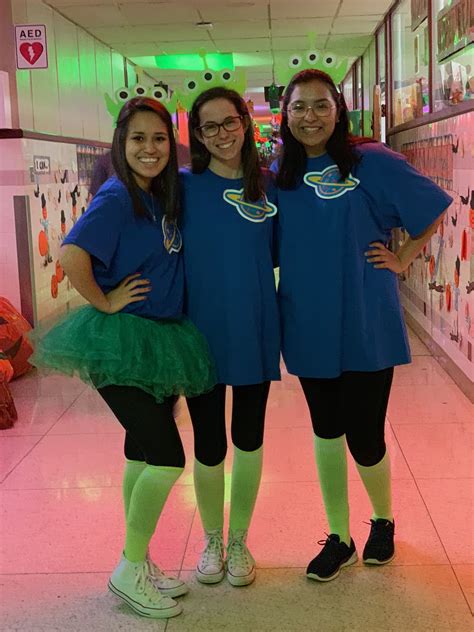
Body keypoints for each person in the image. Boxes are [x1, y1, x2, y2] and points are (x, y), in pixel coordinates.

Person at [29, 97, 216, 618]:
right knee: (166, 456)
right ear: (121, 143)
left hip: (162, 337)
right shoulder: (117, 196)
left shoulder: (158, 195)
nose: (150, 148)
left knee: (140, 451)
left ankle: (140, 559)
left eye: (159, 138)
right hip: (120, 341)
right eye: (138, 139)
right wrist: (106, 300)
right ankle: (128, 569)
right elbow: (71, 254)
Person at [274, 69, 452, 582]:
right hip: (306, 320)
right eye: (299, 107)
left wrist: (405, 257)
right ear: (285, 115)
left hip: (366, 317)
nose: (310, 117)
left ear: (339, 111)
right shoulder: (279, 175)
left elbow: (433, 207)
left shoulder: (372, 162)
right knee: (325, 430)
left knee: (366, 433)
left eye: (321, 106)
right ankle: (339, 536)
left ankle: (382, 520)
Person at [180, 87, 280, 587]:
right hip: (198, 334)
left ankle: (239, 539)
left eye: (229, 122)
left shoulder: (271, 187)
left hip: (255, 330)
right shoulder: (181, 187)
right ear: (198, 135)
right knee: (208, 441)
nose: (221, 134)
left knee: (249, 437)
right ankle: (212, 539)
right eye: (209, 127)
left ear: (245, 122)